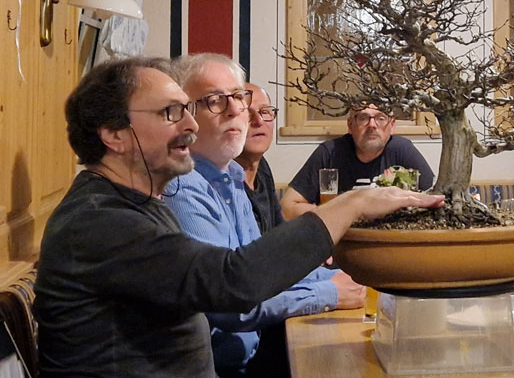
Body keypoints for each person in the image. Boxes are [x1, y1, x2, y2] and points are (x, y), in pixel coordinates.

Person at [34, 56, 442, 377]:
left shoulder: (133, 204)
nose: (191, 124)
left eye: (188, 110)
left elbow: (244, 268)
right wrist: (350, 205)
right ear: (114, 134)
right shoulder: (100, 221)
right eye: (171, 112)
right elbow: (233, 283)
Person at [165, 54, 368, 377]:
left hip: (256, 351)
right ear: (183, 116)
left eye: (239, 97)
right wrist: (328, 293)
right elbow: (229, 306)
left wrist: (343, 277)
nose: (235, 110)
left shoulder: (232, 175)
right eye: (215, 100)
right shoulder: (182, 189)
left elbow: (264, 273)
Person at [282, 105, 434, 218]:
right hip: (340, 241)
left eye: (381, 118)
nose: (372, 125)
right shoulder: (329, 153)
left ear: (392, 126)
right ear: (350, 125)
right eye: (363, 118)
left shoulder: (402, 150)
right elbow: (287, 207)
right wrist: (337, 212)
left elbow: (433, 197)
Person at [235, 82, 284, 234]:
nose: (259, 120)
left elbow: (279, 232)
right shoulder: (222, 178)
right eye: (247, 114)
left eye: (265, 112)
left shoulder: (262, 166)